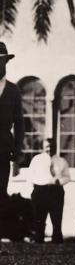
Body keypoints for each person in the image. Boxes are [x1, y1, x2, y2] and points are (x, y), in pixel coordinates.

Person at [28, 138, 70, 243]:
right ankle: (38, 239)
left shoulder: (61, 161)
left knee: (56, 217)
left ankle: (56, 239)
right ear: (43, 147)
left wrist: (59, 181)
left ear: (55, 147)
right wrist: (36, 187)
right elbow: (30, 176)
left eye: (52, 146)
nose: (49, 149)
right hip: (40, 190)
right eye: (47, 146)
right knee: (39, 218)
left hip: (56, 191)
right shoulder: (36, 160)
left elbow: (67, 176)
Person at [0, 42, 24, 201]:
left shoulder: (13, 90)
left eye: (1, 60)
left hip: (3, 149)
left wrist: (17, 149)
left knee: (1, 192)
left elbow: (19, 123)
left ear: (6, 62)